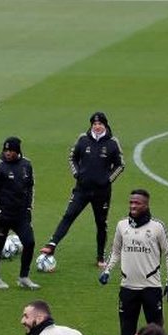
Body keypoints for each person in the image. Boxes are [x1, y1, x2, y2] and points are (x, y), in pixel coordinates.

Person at [98, 189, 168, 335]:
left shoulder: (158, 227)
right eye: (131, 202)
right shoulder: (122, 225)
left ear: (146, 205)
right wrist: (107, 271)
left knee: (156, 329)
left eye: (137, 203)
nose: (133, 206)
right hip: (128, 287)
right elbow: (115, 251)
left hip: (151, 287)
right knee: (126, 330)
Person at [39, 112, 125, 267]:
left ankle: (100, 257)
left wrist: (108, 179)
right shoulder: (83, 139)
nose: (97, 127)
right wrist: (76, 173)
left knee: (101, 223)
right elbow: (72, 157)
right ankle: (52, 244)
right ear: (91, 125)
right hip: (82, 189)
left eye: (100, 124)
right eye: (94, 124)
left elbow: (120, 165)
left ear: (105, 125)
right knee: (69, 215)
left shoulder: (112, 142)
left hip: (102, 192)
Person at [0, 136, 40, 290]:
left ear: (17, 151)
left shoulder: (27, 165)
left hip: (21, 215)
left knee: (29, 242)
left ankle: (23, 277)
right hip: (3, 215)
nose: (7, 153)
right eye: (6, 150)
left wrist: (29, 208)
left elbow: (30, 188)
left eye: (11, 151)